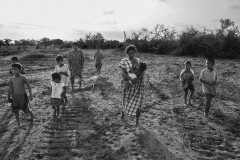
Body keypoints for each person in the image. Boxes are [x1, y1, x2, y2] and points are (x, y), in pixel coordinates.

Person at [119, 45, 145, 125]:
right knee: (125, 100)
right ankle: (123, 113)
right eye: (129, 53)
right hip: (128, 83)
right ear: (127, 53)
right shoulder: (124, 61)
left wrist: (137, 79)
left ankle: (137, 121)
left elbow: (143, 71)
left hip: (138, 85)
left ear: (135, 53)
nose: (131, 55)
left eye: (133, 53)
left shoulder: (138, 60)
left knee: (138, 103)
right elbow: (123, 73)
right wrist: (131, 79)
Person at [7, 63, 34, 127]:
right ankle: (18, 123)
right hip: (15, 97)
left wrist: (31, 95)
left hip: (23, 97)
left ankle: (31, 114)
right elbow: (10, 88)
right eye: (12, 69)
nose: (13, 70)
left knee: (26, 110)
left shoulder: (23, 77)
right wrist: (8, 97)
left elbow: (28, 86)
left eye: (15, 69)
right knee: (16, 110)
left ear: (19, 70)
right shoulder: (11, 79)